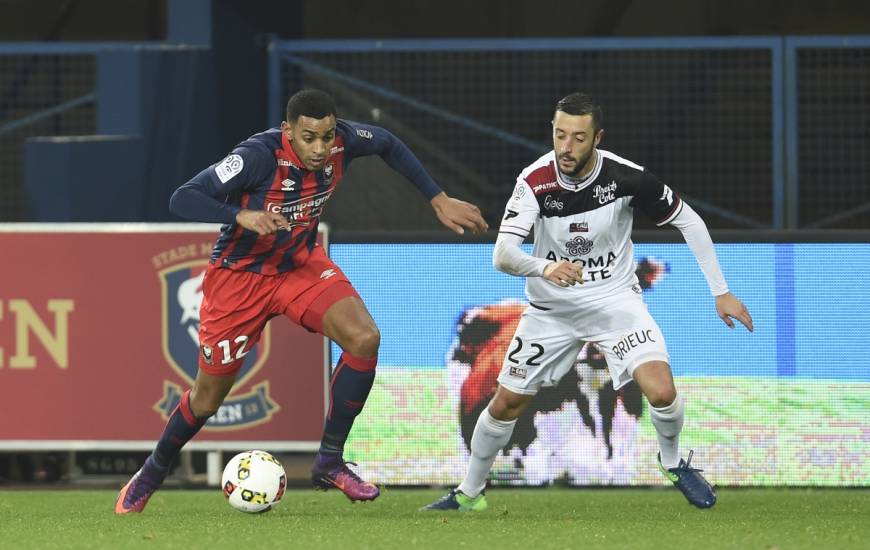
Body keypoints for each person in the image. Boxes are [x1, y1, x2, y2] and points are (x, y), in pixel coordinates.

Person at [115, 89, 488, 514]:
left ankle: (330, 460)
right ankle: (152, 472)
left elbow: (386, 142)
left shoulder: (346, 141)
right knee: (206, 400)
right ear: (289, 130)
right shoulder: (257, 156)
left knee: (365, 339)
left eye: (327, 137)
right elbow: (182, 197)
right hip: (240, 280)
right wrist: (242, 215)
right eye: (309, 137)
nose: (320, 148)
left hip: (298, 264)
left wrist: (437, 198)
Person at [422, 92, 753, 512]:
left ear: (598, 137)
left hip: (615, 303)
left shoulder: (626, 177)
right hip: (552, 311)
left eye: (578, 138)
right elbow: (502, 254)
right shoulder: (535, 181)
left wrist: (720, 291)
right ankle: (469, 492)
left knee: (663, 392)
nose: (566, 147)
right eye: (560, 135)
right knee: (506, 402)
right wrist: (545, 268)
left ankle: (672, 464)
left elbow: (689, 219)